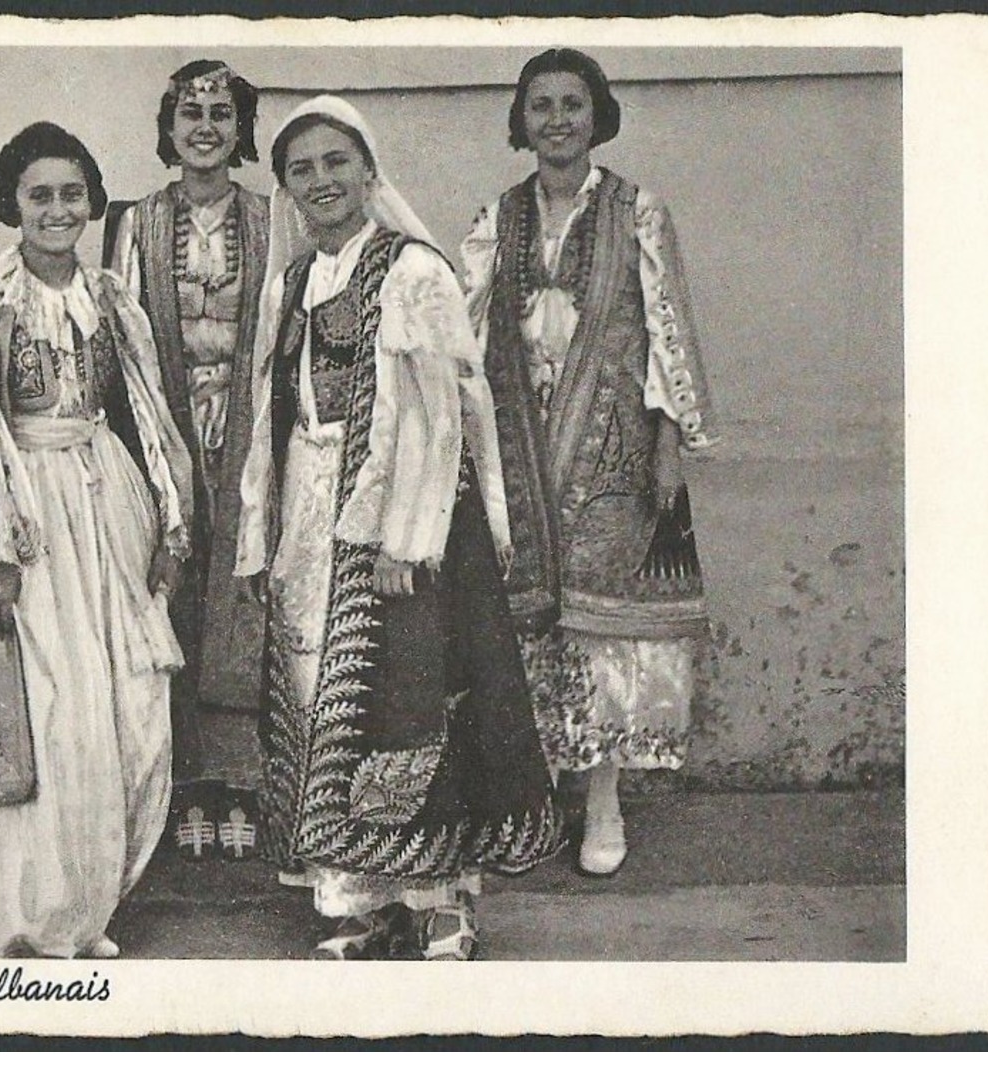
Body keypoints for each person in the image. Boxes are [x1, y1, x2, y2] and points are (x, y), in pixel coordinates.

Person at [235, 96, 562, 961]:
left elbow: (440, 415)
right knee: (320, 697)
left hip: (397, 520)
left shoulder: (412, 271)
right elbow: (274, 413)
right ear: (285, 189)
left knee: (411, 699)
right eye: (300, 169)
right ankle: (365, 901)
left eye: (335, 162)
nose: (320, 181)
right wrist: (261, 530)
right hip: (312, 511)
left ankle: (443, 903)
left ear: (368, 171)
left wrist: (403, 539)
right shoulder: (292, 281)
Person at [0, 122, 194, 958]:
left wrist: (169, 523)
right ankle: (34, 917)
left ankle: (94, 905)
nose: (58, 209)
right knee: (52, 713)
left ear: (91, 201)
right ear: (12, 202)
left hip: (108, 504)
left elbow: (146, 413)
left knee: (128, 710)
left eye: (73, 193)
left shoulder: (110, 297)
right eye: (40, 194)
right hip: (27, 520)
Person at [461, 49, 721, 877]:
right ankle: (533, 801)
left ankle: (602, 801)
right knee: (526, 628)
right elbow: (463, 339)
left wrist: (670, 443)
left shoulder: (638, 211)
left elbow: (667, 327)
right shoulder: (493, 218)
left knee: (600, 630)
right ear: (521, 119)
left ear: (596, 114)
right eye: (540, 105)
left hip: (612, 452)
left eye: (573, 103)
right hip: (520, 450)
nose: (557, 120)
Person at [107, 60, 271, 862]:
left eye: (221, 113)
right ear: (167, 128)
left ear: (241, 130)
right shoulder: (135, 223)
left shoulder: (272, 220)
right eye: (189, 112)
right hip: (161, 423)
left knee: (242, 586)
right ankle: (179, 787)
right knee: (169, 588)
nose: (204, 126)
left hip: (247, 425)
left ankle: (241, 782)